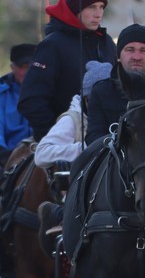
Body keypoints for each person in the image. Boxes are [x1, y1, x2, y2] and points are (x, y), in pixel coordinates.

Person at [18, 0, 117, 141]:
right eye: (91, 7)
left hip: (108, 139)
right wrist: (57, 136)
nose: (98, 13)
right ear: (74, 9)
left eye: (101, 7)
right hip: (65, 143)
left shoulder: (106, 42)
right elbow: (31, 100)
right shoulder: (52, 45)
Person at [34, 60, 113, 255]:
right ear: (86, 98)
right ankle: (58, 214)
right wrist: (84, 149)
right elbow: (41, 154)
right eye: (94, 98)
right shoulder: (74, 120)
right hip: (84, 194)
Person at [0, 43, 35, 190]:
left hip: (41, 157)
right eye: (23, 66)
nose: (27, 71)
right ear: (12, 68)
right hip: (5, 158)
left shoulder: (48, 91)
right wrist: (1, 153)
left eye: (31, 66)